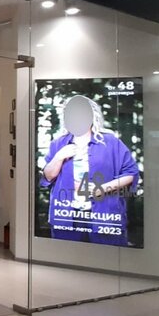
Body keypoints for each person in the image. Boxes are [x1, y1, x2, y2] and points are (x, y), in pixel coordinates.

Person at [41, 95, 139, 246]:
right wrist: (59, 157)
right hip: (66, 216)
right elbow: (48, 177)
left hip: (104, 216)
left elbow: (131, 174)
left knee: (107, 257)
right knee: (67, 256)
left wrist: (102, 189)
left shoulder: (110, 142)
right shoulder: (58, 144)